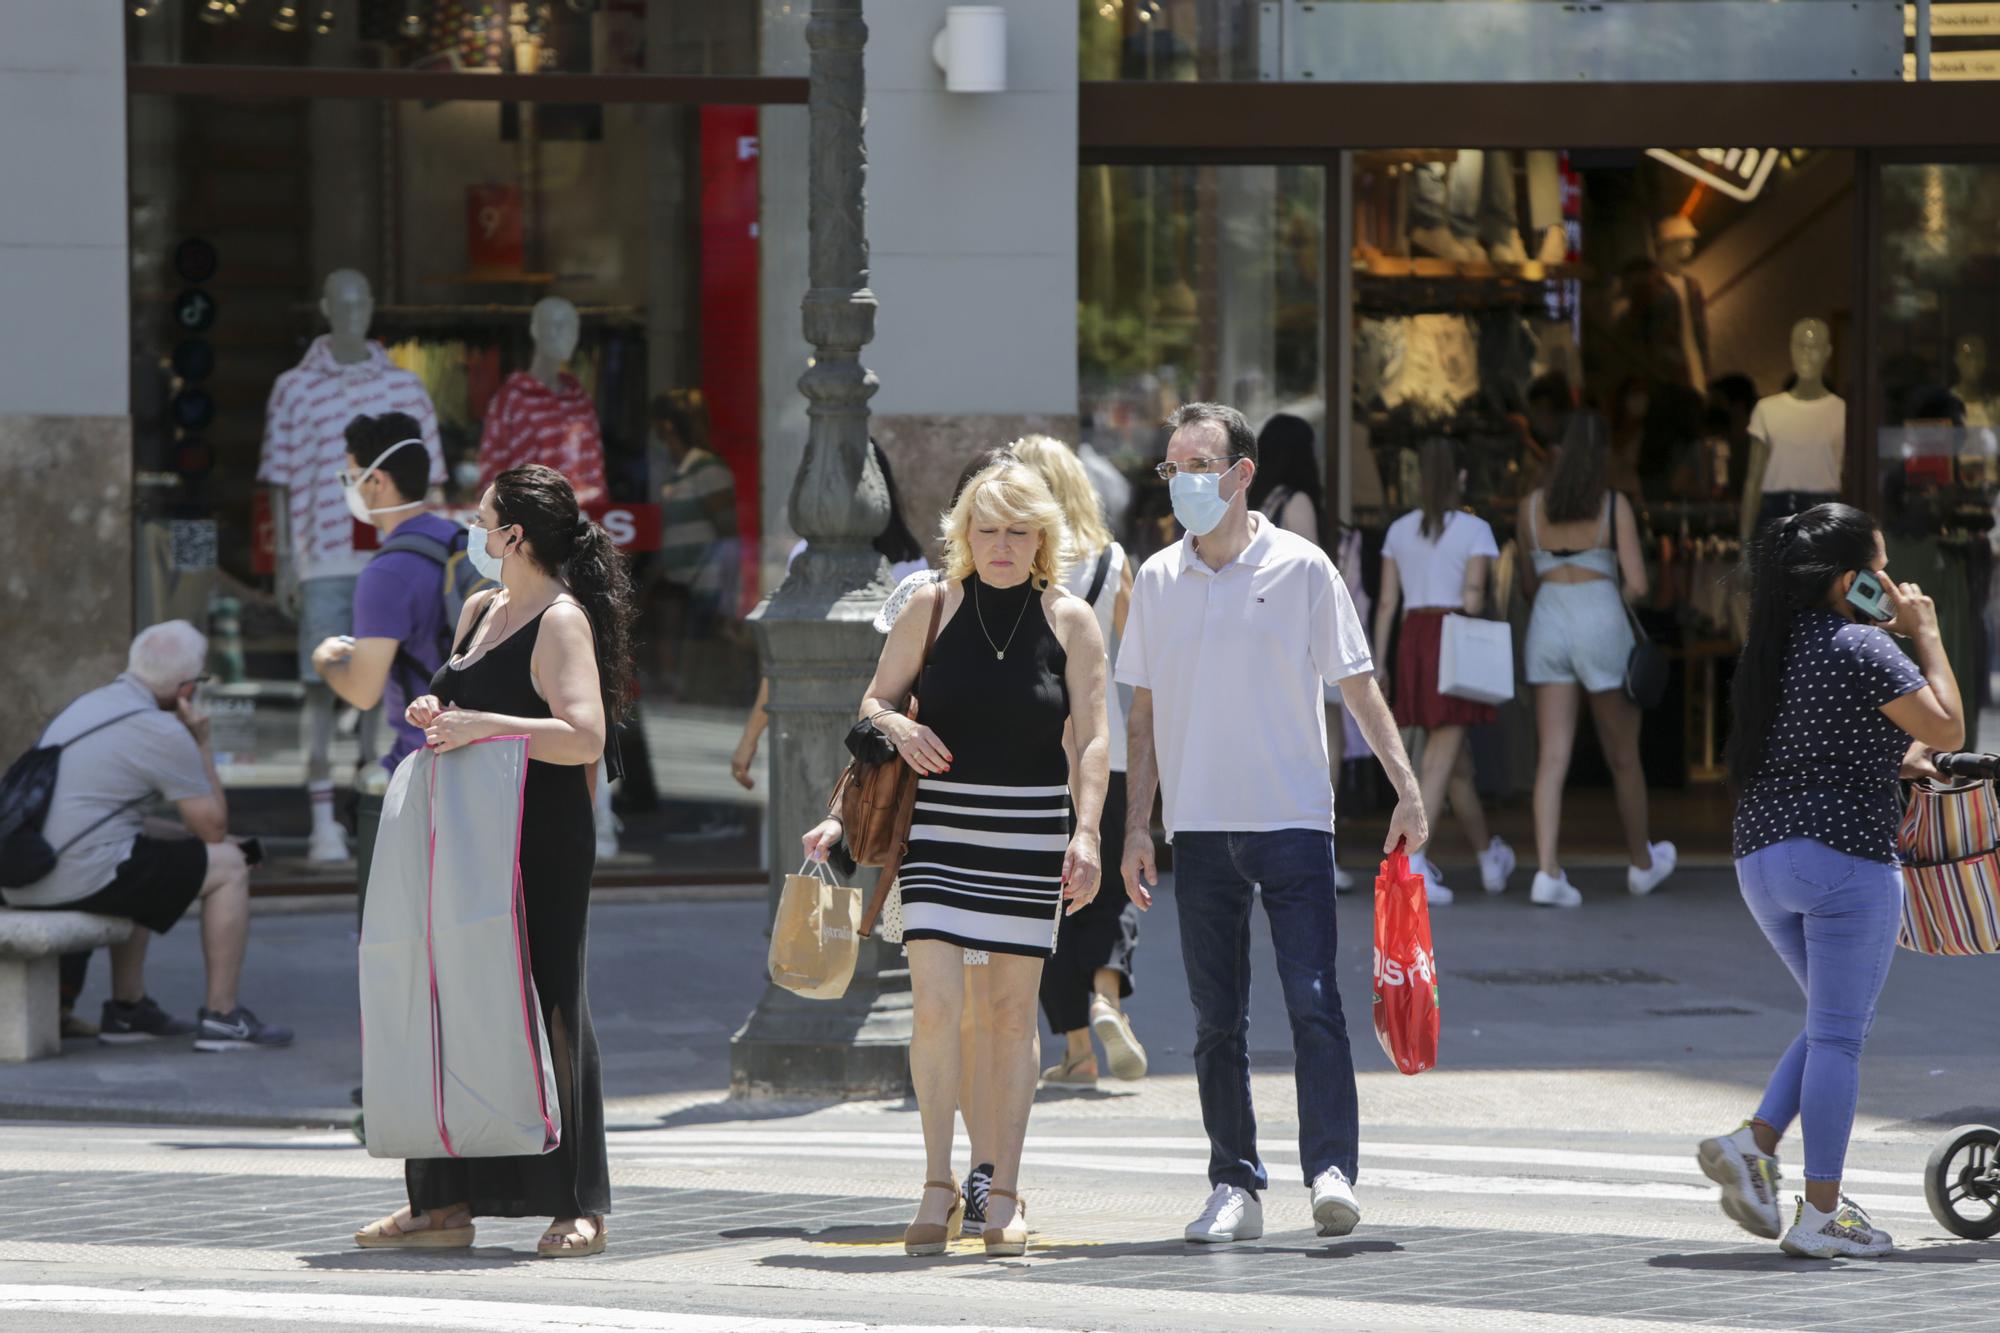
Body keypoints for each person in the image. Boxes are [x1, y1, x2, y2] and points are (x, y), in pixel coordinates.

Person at [1119, 402, 1426, 1244]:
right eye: (1171, 467)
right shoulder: (1154, 579)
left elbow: (1358, 686)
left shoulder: (1303, 567)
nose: (1182, 481)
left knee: (1313, 999)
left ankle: (1331, 1169)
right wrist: (1137, 827)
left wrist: (1405, 787)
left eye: (1199, 465)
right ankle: (1235, 1185)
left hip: (1293, 816)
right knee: (1216, 1019)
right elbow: (1140, 716)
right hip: (1201, 824)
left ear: (1242, 472)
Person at [802, 460, 1110, 1260]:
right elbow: (872, 703)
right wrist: (899, 729)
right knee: (935, 1008)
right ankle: (938, 1181)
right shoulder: (932, 607)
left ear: (1043, 536)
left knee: (1012, 1016)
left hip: (1031, 835)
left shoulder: (1072, 619)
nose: (1001, 545)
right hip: (938, 834)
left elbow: (1097, 737)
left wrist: (1088, 834)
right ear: (964, 533)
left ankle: (1000, 1189)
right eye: (987, 528)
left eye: (1017, 530)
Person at [354, 463, 636, 1259]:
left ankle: (579, 1200)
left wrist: (481, 724)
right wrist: (436, 712)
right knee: (450, 992)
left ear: (515, 535)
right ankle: (442, 1200)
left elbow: (584, 736)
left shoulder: (562, 620)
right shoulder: (483, 606)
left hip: (539, 836)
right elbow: (462, 701)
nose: (475, 533)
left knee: (551, 1001)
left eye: (484, 522)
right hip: (470, 827)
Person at [1698, 503, 1962, 1260]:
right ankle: (1821, 1212)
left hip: (1761, 861)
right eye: (1878, 569)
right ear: (1849, 580)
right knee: (1842, 1035)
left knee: (1829, 1022)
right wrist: (1928, 633)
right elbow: (1947, 727)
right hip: (1844, 860)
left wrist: (1891, 757)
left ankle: (1754, 1142)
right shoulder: (1862, 644)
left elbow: (1823, 738)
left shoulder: (1773, 648)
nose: (1891, 582)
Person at [1, 621, 290, 1050]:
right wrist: (203, 744)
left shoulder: (89, 706)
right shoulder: (160, 729)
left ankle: (128, 1010)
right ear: (186, 688)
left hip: (23, 876)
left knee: (145, 855)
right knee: (231, 866)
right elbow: (212, 828)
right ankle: (223, 1017)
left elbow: (107, 820)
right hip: (70, 876)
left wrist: (194, 840)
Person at [1010, 435, 1146, 1090]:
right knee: (1110, 885)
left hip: (1034, 755)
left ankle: (1076, 1051)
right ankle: (1107, 998)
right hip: (1105, 752)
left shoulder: (1017, 563)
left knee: (1049, 901)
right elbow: (1143, 656)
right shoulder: (1115, 560)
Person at [1516, 412, 1676, 908]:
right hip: (1601, 618)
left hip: (1548, 620)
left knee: (1552, 755)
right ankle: (1640, 864)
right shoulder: (1613, 505)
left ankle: (1546, 872)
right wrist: (1609, 589)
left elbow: (1526, 584)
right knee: (1624, 755)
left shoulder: (1530, 508)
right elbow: (1640, 583)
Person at [311, 412, 466, 913]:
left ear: (375, 480)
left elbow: (362, 690)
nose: (349, 487)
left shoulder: (387, 572)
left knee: (403, 942)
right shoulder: (464, 543)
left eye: (349, 474)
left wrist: (327, 659)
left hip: (421, 770)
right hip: (484, 756)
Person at [1373, 439, 1515, 904]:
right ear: (1460, 479)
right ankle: (1413, 860)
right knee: (1439, 755)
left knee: (1457, 768)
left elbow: (1389, 602)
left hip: (1413, 637)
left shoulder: (1398, 530)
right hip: (1453, 637)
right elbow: (1474, 596)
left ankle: (1488, 857)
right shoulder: (1476, 530)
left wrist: (1378, 661)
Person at [1247, 413, 1356, 892]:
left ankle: (1256, 858)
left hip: (1257, 637)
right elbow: (1311, 577)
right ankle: (1317, 855)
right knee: (1321, 748)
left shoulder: (1254, 501)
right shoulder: (1298, 503)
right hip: (1298, 640)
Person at [652, 390, 739, 703]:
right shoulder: (674, 473)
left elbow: (727, 530)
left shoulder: (707, 469)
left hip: (706, 583)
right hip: (679, 582)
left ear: (667, 427)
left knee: (700, 653)